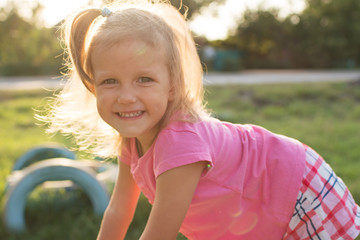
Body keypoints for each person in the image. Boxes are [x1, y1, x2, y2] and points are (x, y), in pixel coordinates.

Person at [44, 0, 360, 239]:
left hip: (298, 191)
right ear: (93, 86)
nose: (126, 96)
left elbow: (159, 234)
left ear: (173, 86)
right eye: (110, 81)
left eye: (144, 79)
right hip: (260, 207)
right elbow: (118, 211)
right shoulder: (130, 141)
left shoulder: (179, 143)